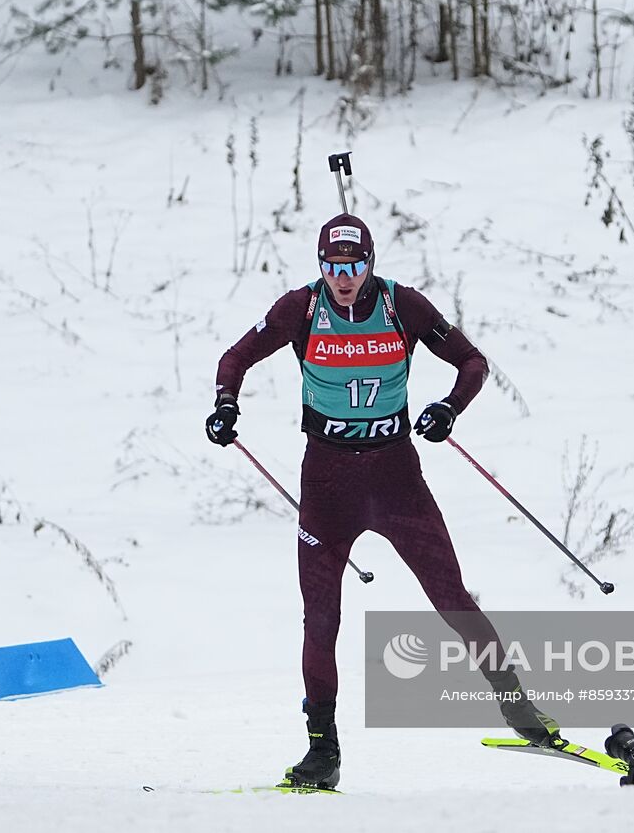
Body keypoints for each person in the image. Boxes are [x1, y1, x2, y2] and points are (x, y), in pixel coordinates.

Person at [207, 213, 561, 789]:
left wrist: (449, 408)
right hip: (326, 486)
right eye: (332, 266)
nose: (343, 278)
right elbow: (234, 359)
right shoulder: (299, 309)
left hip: (396, 478)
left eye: (353, 266)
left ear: (370, 263)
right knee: (320, 620)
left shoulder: (403, 306)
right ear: (321, 267)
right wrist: (226, 405)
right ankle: (323, 750)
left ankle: (521, 713)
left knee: (451, 597)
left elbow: (472, 363)